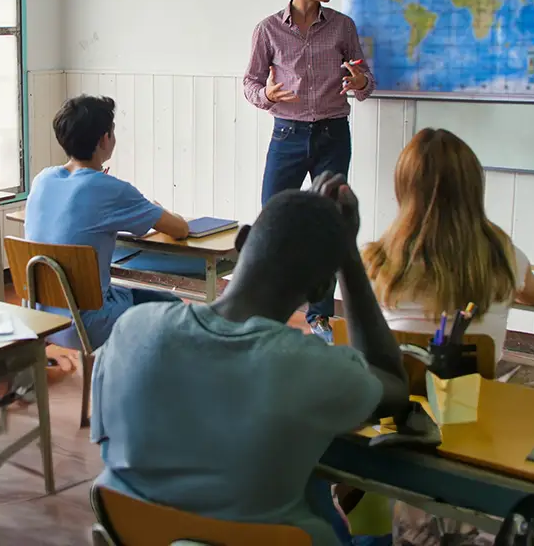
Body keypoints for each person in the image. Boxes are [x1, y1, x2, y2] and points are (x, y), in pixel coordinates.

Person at [90, 172, 410, 545]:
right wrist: (348, 257)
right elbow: (391, 383)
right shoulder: (313, 371)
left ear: (241, 242)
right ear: (324, 287)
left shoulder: (131, 330)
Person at [243, 0, 375, 342]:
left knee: (330, 224)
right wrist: (267, 95)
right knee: (273, 222)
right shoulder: (268, 29)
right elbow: (249, 83)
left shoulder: (342, 26)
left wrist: (360, 83)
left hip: (333, 133)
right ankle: (267, 308)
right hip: (287, 133)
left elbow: (365, 78)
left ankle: (320, 317)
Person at [363, 128, 534, 361]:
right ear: (474, 186)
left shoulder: (375, 262)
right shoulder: (505, 255)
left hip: (397, 392)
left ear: (403, 188)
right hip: (476, 393)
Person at [24, 95, 189, 350]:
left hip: (40, 316)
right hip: (87, 322)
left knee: (131, 293)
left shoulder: (42, 180)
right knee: (173, 308)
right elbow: (179, 229)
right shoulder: (109, 188)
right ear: (104, 139)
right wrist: (157, 209)